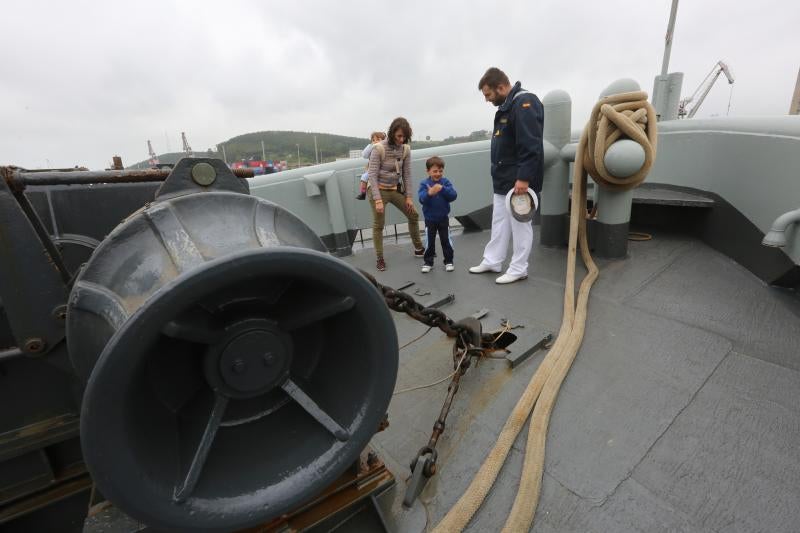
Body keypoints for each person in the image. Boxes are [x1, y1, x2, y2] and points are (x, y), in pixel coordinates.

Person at [469, 67, 544, 284]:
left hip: (518, 181)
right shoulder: (507, 107)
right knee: (499, 221)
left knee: (521, 224)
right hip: (503, 180)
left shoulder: (524, 104)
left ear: (501, 87)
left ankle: (519, 267)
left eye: (488, 94)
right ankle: (493, 260)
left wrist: (524, 178)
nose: (486, 99)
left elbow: (530, 144)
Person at [367, 117, 425, 271]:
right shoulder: (378, 148)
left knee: (413, 215)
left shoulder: (405, 149)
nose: (402, 139)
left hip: (394, 189)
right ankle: (380, 258)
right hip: (377, 189)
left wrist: (409, 197)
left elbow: (406, 174)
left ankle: (419, 249)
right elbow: (371, 175)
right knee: (379, 224)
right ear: (392, 133)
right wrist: (378, 200)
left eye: (404, 136)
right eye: (399, 136)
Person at [417, 156, 457, 273]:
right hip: (430, 219)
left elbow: (453, 196)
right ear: (428, 171)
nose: (438, 173)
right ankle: (428, 262)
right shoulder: (424, 184)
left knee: (446, 240)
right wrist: (429, 193)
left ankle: (449, 261)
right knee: (430, 241)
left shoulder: (445, 182)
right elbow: (421, 199)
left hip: (443, 218)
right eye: (435, 171)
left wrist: (442, 189)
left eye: (440, 171)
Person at [356, 131, 386, 200]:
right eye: (373, 140)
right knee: (364, 177)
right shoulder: (372, 148)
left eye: (378, 139)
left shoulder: (385, 147)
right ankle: (363, 193)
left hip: (383, 168)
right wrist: (370, 146)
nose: (375, 141)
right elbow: (364, 155)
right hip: (373, 169)